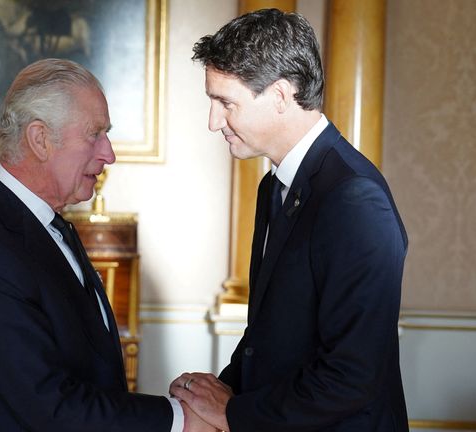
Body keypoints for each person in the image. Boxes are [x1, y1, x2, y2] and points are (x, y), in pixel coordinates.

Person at [0, 59, 215, 431]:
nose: (109, 154)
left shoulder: (46, 224)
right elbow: (51, 405)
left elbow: (89, 377)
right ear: (40, 139)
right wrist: (179, 419)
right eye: (94, 134)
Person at [170, 9, 409, 432]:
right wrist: (210, 397)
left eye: (226, 103)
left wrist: (230, 413)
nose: (213, 122)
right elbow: (271, 335)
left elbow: (352, 376)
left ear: (280, 95)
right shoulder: (274, 186)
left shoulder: (354, 198)